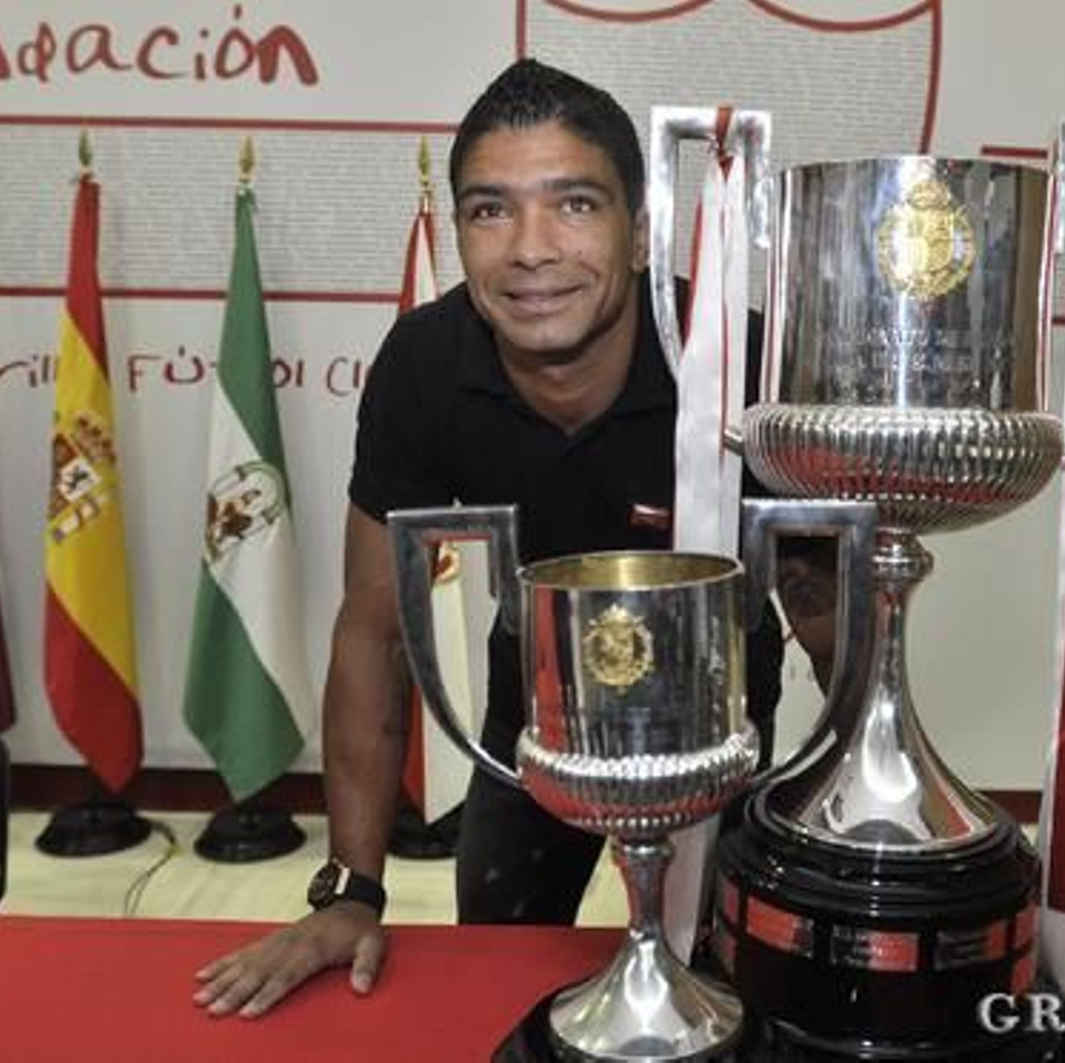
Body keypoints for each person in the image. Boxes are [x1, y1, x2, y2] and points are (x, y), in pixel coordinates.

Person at [193, 57, 835, 1019]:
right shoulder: (423, 362)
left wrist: (857, 815)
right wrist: (353, 889)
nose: (531, 249)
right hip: (534, 717)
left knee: (732, 999)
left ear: (642, 231)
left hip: (724, 728)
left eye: (574, 203)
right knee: (497, 987)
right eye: (491, 210)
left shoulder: (740, 352)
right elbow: (371, 629)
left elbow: (828, 607)